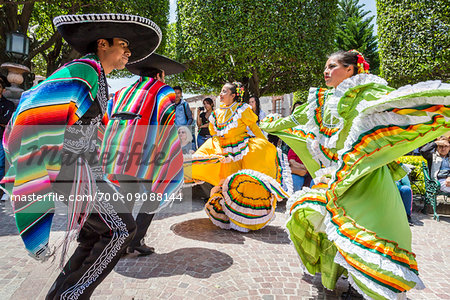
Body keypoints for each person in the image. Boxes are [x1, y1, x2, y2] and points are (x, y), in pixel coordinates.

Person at [260, 50, 450, 299]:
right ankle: (345, 275)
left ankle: (361, 287)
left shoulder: (368, 92)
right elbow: (294, 119)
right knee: (328, 223)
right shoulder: (321, 100)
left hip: (366, 175)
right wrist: (267, 124)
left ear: (350, 69)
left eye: (332, 66)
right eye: (325, 67)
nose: (326, 71)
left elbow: (398, 104)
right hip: (337, 176)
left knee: (370, 228)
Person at [1, 13, 161, 299]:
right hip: (71, 169)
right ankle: (72, 296)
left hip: (82, 170)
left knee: (95, 234)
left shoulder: (94, 74)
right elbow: (32, 109)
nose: (128, 52)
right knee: (121, 230)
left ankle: (60, 296)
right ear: (102, 44)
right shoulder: (85, 68)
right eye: (123, 44)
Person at [100, 53, 185, 255]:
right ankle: (135, 240)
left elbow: (106, 119)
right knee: (154, 195)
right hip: (144, 152)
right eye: (163, 76)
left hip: (117, 151)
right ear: (159, 75)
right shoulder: (162, 90)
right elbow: (167, 122)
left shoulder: (122, 92)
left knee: (127, 195)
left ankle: (119, 242)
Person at [188, 82, 292, 232]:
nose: (221, 94)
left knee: (239, 185)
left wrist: (265, 144)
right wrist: (218, 152)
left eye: (224, 91)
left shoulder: (242, 110)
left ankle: (240, 221)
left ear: (233, 95)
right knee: (221, 184)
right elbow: (214, 135)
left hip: (240, 151)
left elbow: (255, 129)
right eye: (221, 91)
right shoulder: (216, 114)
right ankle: (225, 216)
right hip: (223, 151)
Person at [0, 75, 15, 201]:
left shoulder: (8, 104)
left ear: (3, 90)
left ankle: (2, 190)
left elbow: (7, 120)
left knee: (2, 164)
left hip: (3, 138)